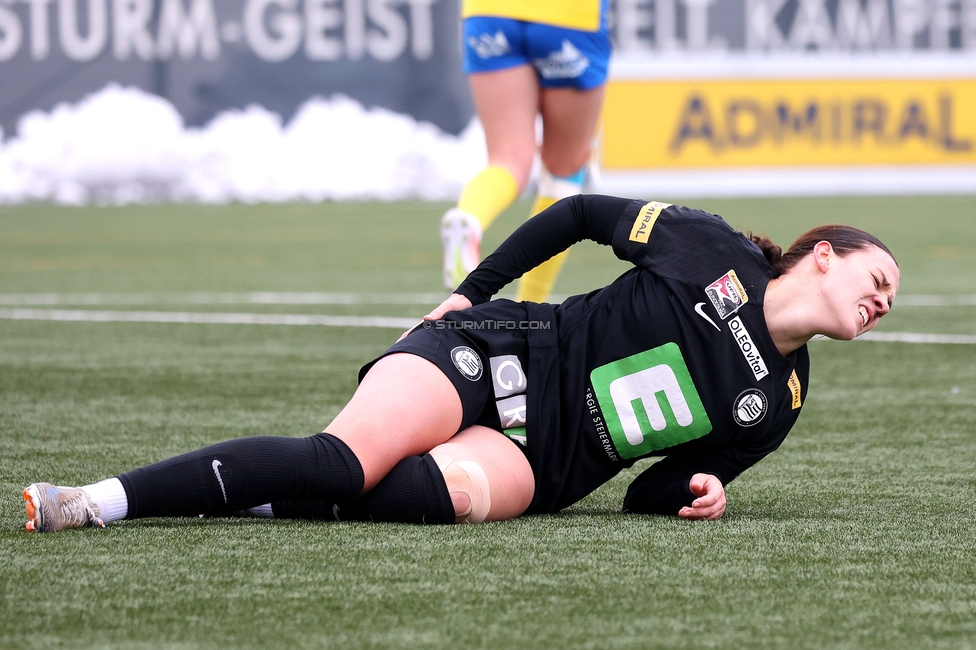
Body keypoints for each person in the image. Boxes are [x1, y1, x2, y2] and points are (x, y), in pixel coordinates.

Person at [23, 195, 900, 533]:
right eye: (878, 278)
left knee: (406, 501)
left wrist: (697, 492)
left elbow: (648, 488)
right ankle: (96, 501)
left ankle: (244, 491)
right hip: (501, 352)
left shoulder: (778, 402)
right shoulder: (707, 245)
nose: (884, 300)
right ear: (822, 253)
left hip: (546, 463)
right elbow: (581, 211)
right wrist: (469, 292)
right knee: (340, 464)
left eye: (891, 299)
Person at [440, 0, 612, 302]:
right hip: (568, 16)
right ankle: (529, 304)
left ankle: (469, 218)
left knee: (508, 159)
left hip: (490, 14)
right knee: (565, 171)